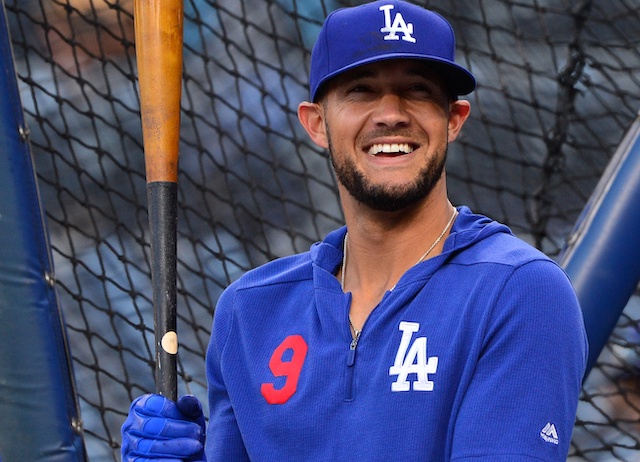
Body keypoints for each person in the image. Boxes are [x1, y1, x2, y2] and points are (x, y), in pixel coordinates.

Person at [121, 1, 588, 460]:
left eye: (419, 90)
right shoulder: (250, 310)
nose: (391, 113)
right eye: (362, 90)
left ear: (453, 119)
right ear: (317, 124)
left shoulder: (518, 290)